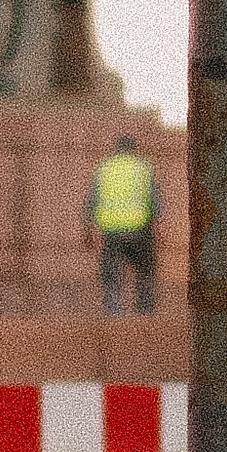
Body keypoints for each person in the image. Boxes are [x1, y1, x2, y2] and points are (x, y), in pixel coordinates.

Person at [84, 134, 157, 318]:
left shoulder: (104, 168)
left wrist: (87, 229)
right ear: (134, 149)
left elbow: (91, 200)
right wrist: (160, 229)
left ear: (116, 149)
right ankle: (145, 313)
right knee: (145, 271)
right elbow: (155, 201)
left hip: (111, 230)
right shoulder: (144, 168)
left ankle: (114, 313)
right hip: (140, 229)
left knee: (111, 272)